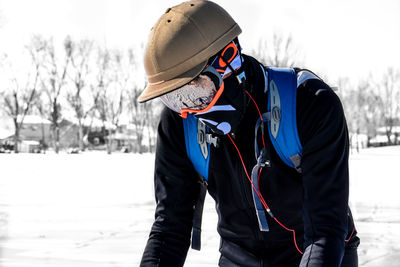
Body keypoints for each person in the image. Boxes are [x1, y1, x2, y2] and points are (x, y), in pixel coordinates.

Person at [138, 0, 360, 266]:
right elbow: (169, 228)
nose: (188, 111)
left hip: (319, 251)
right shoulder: (179, 124)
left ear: (229, 59)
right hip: (239, 256)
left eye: (193, 93)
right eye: (174, 99)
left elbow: (325, 229)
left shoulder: (310, 103)